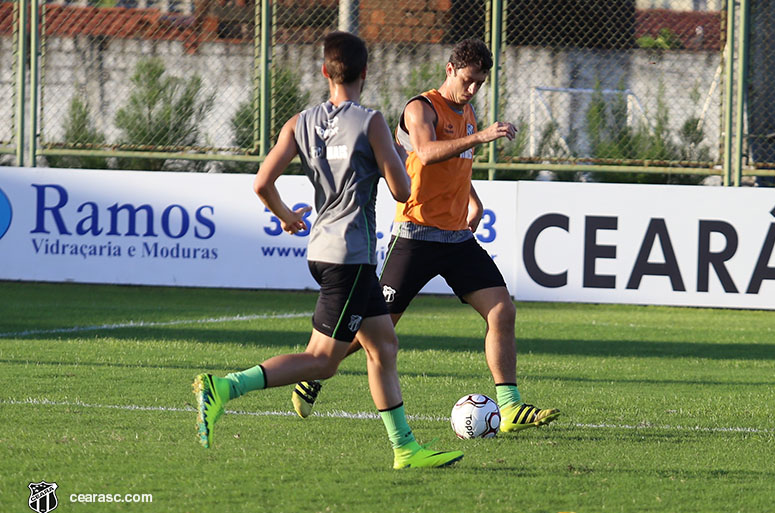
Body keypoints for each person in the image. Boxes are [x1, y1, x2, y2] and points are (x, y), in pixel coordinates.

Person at [193, 31, 463, 470]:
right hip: (351, 256)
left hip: (322, 248)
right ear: (365, 72)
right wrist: (391, 154)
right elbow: (402, 189)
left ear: (325, 71)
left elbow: (262, 183)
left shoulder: (299, 122)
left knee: (383, 346)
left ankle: (406, 449)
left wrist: (284, 215)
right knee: (322, 362)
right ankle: (224, 387)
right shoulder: (371, 121)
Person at [292, 38, 560, 434]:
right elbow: (427, 152)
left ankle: (509, 407)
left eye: (480, 84)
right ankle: (313, 372)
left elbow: (453, 166)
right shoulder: (421, 107)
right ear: (451, 69)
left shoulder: (466, 112)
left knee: (502, 310)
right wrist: (482, 136)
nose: (473, 90)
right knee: (371, 329)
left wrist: (474, 199)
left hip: (456, 238)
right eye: (468, 80)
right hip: (415, 235)